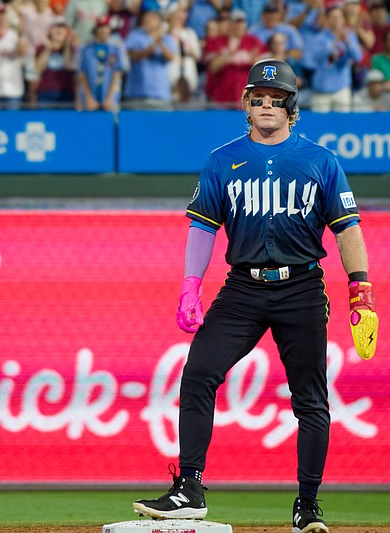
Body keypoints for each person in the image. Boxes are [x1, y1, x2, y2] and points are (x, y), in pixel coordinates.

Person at [131, 57, 377, 533]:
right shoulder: (222, 159)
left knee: (310, 398)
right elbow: (202, 226)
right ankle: (190, 487)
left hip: (303, 287)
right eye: (258, 98)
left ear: (292, 107)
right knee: (199, 372)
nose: (266, 105)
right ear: (245, 103)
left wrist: (360, 289)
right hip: (242, 286)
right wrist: (190, 285)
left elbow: (347, 227)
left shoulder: (320, 161)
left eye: (276, 99)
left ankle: (307, 505)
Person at [203, 8, 266, 106]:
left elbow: (264, 66)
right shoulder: (216, 42)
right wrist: (230, 53)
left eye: (242, 22)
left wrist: (254, 60)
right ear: (230, 24)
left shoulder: (254, 42)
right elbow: (213, 67)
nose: (239, 25)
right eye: (236, 22)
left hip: (247, 98)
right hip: (221, 97)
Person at [305, 5, 363, 111]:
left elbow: (358, 57)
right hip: (321, 89)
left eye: (339, 17)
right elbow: (315, 59)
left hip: (342, 88)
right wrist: (335, 42)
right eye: (333, 17)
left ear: (343, 19)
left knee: (343, 125)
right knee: (319, 125)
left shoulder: (350, 37)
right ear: (327, 19)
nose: (337, 20)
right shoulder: (318, 39)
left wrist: (348, 43)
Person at [124, 8, 176, 108]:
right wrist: (148, 50)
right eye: (145, 16)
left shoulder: (166, 38)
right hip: (136, 93)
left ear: (160, 22)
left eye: (152, 17)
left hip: (160, 94)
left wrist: (160, 42)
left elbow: (171, 57)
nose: (146, 19)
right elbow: (132, 55)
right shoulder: (134, 35)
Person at [77, 14, 126, 110]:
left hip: (110, 98)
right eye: (100, 27)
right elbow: (82, 74)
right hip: (90, 99)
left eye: (106, 27)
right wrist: (89, 97)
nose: (103, 30)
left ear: (110, 29)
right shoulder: (86, 49)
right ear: (95, 29)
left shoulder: (115, 49)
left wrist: (110, 98)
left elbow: (117, 74)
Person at [33, 16, 76, 106]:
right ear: (50, 30)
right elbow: (38, 68)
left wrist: (67, 46)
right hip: (46, 91)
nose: (59, 30)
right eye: (56, 27)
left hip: (66, 91)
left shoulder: (71, 48)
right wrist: (48, 49)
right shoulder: (41, 48)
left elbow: (69, 66)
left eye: (62, 27)